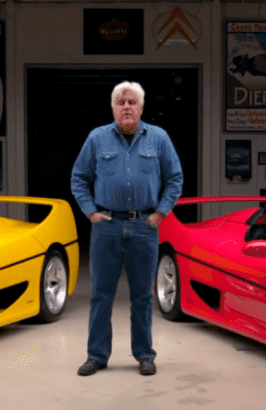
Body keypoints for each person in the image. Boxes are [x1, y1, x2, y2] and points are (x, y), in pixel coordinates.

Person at [71, 81, 183, 376]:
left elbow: (175, 178)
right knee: (100, 294)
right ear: (113, 108)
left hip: (144, 227)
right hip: (106, 227)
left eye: (132, 102)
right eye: (121, 102)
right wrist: (90, 211)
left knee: (143, 296)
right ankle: (96, 355)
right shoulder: (97, 139)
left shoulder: (159, 139)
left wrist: (160, 212)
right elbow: (78, 178)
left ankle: (144, 354)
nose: (127, 107)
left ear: (142, 108)